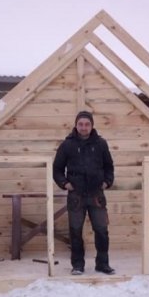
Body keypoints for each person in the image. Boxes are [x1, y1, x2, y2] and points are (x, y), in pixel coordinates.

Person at [53, 110, 115, 275]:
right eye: (80, 124)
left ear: (92, 125)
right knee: (75, 231)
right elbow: (57, 169)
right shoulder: (67, 145)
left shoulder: (101, 144)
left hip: (97, 195)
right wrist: (65, 183)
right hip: (76, 196)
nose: (84, 127)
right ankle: (78, 265)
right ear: (76, 125)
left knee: (102, 230)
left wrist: (107, 182)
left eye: (87, 124)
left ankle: (102, 264)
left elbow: (109, 167)